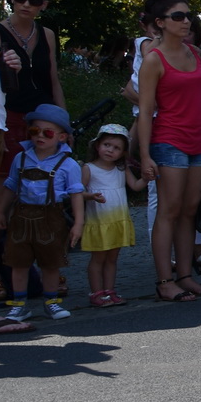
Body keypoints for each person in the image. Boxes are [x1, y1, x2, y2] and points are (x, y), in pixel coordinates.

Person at [135, 0, 201, 303]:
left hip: (197, 140)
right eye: (178, 16)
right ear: (160, 23)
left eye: (188, 15)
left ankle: (185, 276)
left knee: (189, 211)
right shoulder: (153, 60)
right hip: (168, 139)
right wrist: (144, 155)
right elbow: (144, 111)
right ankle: (164, 281)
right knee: (168, 211)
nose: (186, 21)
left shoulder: (194, 52)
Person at [0, 104, 83, 321]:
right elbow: (10, 186)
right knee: (18, 262)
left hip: (51, 218)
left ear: (61, 137)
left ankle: (51, 302)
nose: (40, 136)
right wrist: (0, 212)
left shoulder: (68, 164)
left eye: (48, 132)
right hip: (21, 217)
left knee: (50, 263)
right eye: (35, 131)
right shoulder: (21, 158)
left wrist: (79, 222)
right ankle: (19, 305)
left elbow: (76, 194)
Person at [0, 0, 66, 175]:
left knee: (42, 178)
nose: (26, 4)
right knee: (7, 178)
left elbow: (53, 80)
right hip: (11, 114)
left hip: (45, 117)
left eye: (34, 1)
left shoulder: (48, 35)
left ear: (43, 5)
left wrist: (63, 120)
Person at [82, 123, 143, 305]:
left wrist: (147, 178)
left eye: (116, 148)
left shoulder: (121, 168)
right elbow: (77, 192)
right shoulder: (89, 168)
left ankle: (109, 290)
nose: (110, 150)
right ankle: (96, 293)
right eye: (107, 145)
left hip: (117, 220)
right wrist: (90, 195)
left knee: (112, 259)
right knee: (98, 258)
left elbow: (135, 186)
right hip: (99, 221)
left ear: (123, 152)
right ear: (97, 145)